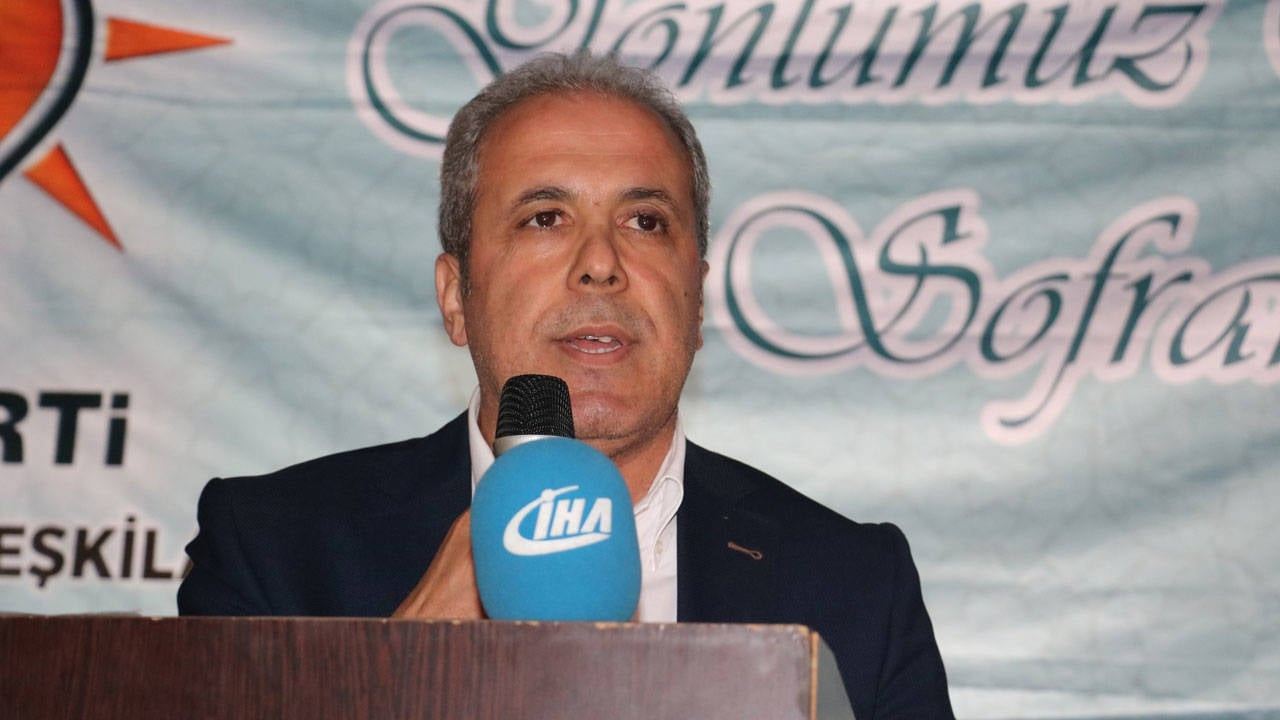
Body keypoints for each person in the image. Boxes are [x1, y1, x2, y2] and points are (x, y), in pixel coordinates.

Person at [178, 50, 954, 718]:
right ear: (456, 298)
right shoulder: (273, 549)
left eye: (645, 221)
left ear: (697, 301)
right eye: (545, 217)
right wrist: (400, 668)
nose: (601, 263)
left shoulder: (854, 585)